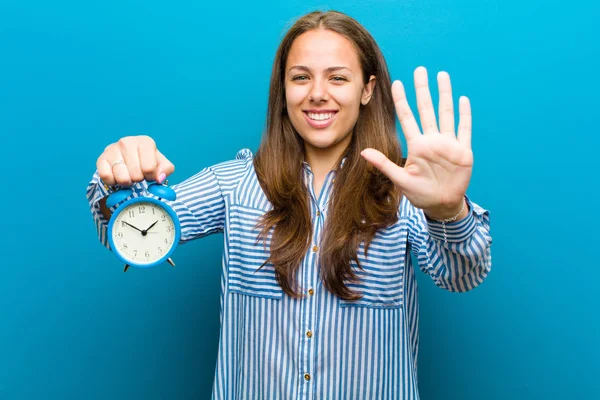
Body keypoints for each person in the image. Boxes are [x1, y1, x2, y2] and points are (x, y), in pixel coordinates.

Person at [86, 10, 492, 400]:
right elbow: (125, 230)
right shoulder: (233, 184)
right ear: (283, 89)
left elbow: (462, 275)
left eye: (337, 77)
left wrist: (447, 210)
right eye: (301, 77)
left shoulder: (406, 189)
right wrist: (117, 181)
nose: (318, 94)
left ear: (367, 90)